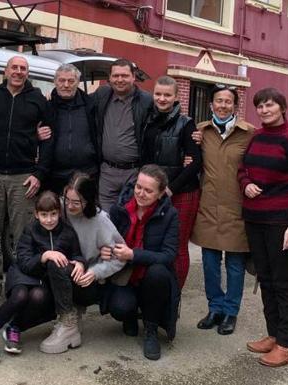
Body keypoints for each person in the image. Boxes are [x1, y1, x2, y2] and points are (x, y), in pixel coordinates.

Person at [238, 88, 288, 367]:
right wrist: (245, 183)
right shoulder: (257, 137)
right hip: (256, 221)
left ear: (282, 107)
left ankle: (287, 344)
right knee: (266, 280)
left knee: (284, 283)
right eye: (259, 106)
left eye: (269, 105)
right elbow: (242, 168)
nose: (263, 110)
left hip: (282, 224)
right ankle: (274, 335)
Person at [0, 55, 54, 297]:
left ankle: (20, 279)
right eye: (14, 67)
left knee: (24, 233)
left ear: (28, 73)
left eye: (23, 68)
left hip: (23, 176)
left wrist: (39, 174)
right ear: (6, 71)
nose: (18, 71)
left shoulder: (37, 100)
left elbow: (48, 140)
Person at [0, 191, 86, 362]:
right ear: (36, 214)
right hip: (23, 273)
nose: (49, 219)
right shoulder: (30, 230)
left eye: (53, 214)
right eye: (44, 215)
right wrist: (45, 255)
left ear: (59, 213)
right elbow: (24, 262)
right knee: (20, 295)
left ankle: (15, 327)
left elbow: (77, 254)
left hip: (44, 280)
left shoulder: (68, 232)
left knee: (40, 297)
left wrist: (80, 263)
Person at [191, 84, 255, 336]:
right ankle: (215, 308)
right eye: (219, 101)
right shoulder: (200, 131)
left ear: (235, 106)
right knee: (209, 263)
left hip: (237, 208)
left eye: (228, 101)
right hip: (208, 206)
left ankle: (231, 312)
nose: (223, 105)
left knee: (236, 265)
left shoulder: (249, 133)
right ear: (211, 104)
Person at [104, 165, 179, 360]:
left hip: (150, 277)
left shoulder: (170, 215)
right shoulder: (119, 209)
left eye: (148, 190)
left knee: (159, 272)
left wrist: (134, 255)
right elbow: (107, 241)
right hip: (124, 275)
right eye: (138, 187)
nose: (141, 193)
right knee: (120, 307)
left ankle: (151, 329)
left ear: (161, 193)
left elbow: (169, 255)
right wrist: (105, 250)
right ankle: (130, 315)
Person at [139, 75, 201, 289]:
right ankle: (153, 294)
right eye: (158, 94)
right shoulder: (147, 119)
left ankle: (173, 298)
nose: (162, 99)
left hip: (182, 192)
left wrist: (171, 189)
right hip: (154, 192)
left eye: (167, 95)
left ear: (176, 97)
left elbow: (195, 164)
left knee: (177, 245)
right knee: (153, 242)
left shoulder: (187, 124)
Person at [94, 59, 153, 212]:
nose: (120, 80)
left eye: (124, 76)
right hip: (107, 172)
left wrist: (190, 134)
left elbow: (165, 123)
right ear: (109, 78)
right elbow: (79, 107)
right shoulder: (102, 95)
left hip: (134, 173)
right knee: (105, 219)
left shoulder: (146, 101)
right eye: (116, 76)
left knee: (129, 218)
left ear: (134, 77)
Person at [42, 64, 98, 195]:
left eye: (71, 81)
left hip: (86, 174)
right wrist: (36, 134)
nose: (66, 85)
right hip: (54, 175)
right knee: (56, 213)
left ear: (78, 82)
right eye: (62, 80)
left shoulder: (90, 105)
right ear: (55, 81)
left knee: (84, 212)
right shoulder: (46, 105)